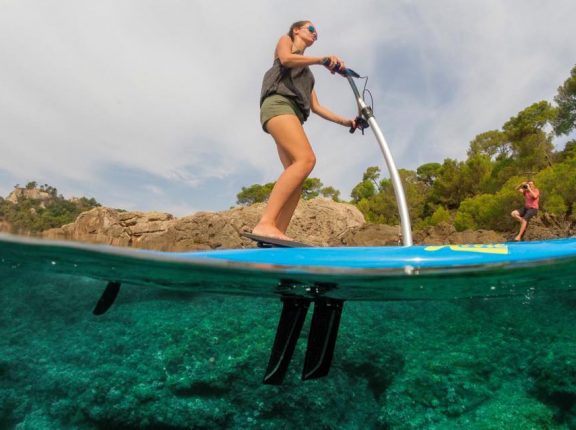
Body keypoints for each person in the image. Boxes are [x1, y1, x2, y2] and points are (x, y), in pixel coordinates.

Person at [251, 20, 356, 241]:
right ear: (296, 30)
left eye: (317, 32)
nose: (315, 33)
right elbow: (287, 59)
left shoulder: (308, 75)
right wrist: (322, 59)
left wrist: (348, 122)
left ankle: (276, 234)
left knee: (296, 176)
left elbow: (317, 107)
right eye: (311, 28)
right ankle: (266, 224)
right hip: (279, 105)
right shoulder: (286, 41)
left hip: (293, 116)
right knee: (306, 160)